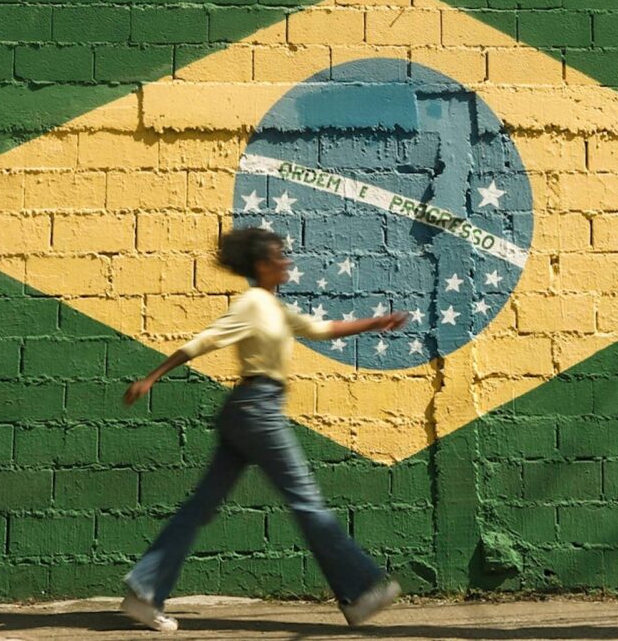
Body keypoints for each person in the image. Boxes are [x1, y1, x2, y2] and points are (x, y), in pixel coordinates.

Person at [120, 227, 407, 632]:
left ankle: (144, 595)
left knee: (201, 507)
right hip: (257, 410)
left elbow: (321, 329)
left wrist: (375, 322)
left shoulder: (274, 307)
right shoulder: (254, 302)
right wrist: (153, 376)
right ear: (260, 264)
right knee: (307, 501)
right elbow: (205, 341)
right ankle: (360, 593)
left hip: (250, 410)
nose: (287, 260)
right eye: (279, 255)